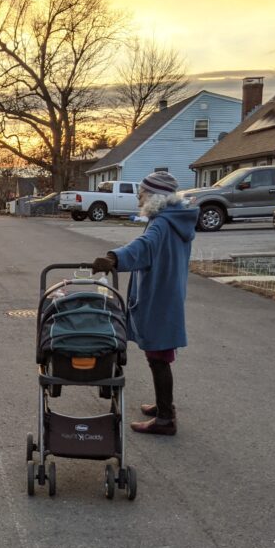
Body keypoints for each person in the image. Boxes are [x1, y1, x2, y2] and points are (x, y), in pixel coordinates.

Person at [91, 171, 197, 436]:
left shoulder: (161, 223)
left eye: (142, 194)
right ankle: (164, 406)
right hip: (168, 292)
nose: (138, 199)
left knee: (159, 356)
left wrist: (114, 258)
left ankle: (165, 419)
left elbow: (144, 246)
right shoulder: (174, 219)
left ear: (155, 196)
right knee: (159, 354)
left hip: (160, 295)